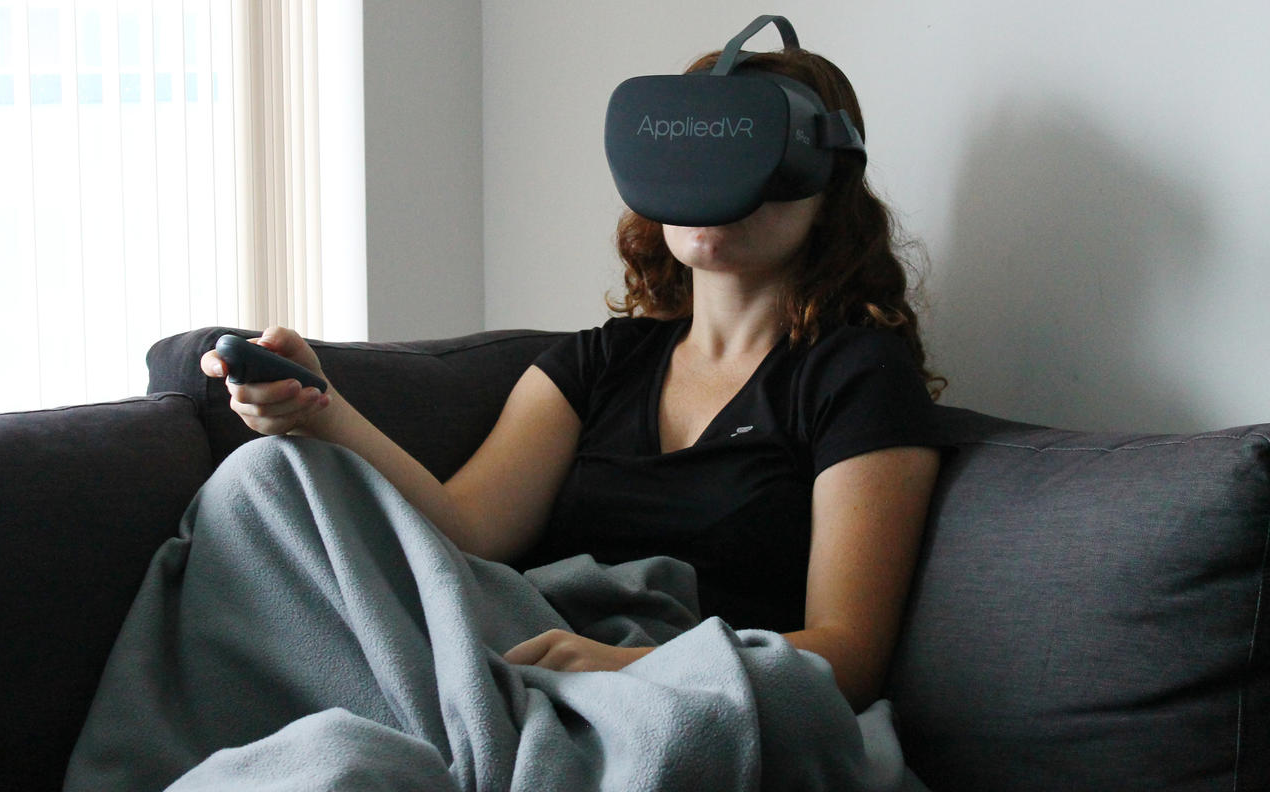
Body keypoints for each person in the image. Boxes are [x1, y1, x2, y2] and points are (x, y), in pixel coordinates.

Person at [198, 46, 944, 714]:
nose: (716, 184)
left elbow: (849, 658)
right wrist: (318, 407)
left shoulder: (857, 377)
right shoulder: (599, 363)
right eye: (691, 150)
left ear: (828, 183)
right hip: (527, 662)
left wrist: (632, 670)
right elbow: (466, 533)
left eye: (749, 150)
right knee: (262, 479)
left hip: (676, 701)